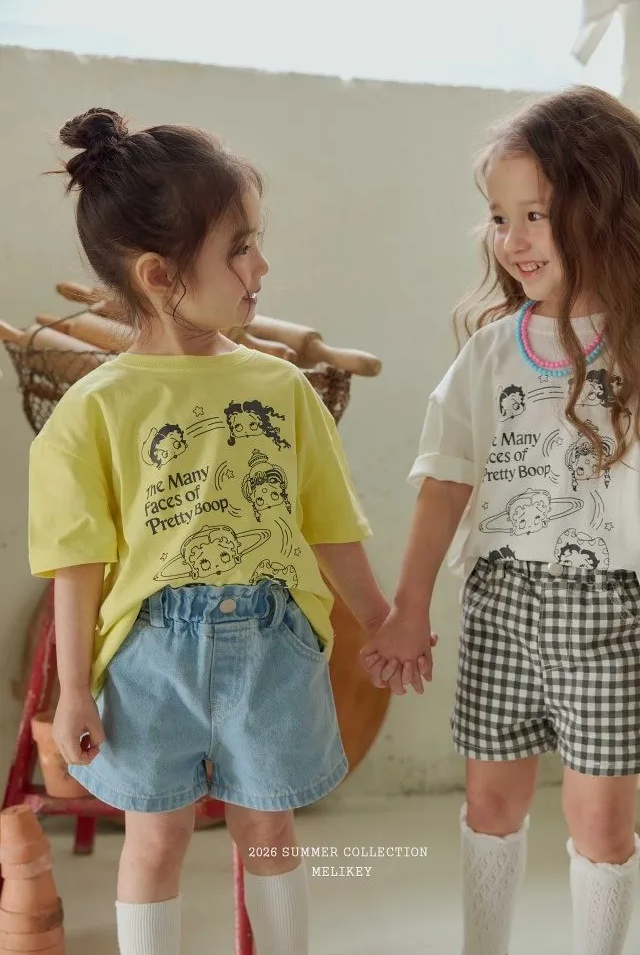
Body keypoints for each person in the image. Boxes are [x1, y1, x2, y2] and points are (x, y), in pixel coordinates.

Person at [28, 108, 390, 955]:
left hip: (273, 647)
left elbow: (330, 522)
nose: (260, 266)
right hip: (149, 659)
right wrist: (74, 689)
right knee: (157, 837)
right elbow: (77, 563)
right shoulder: (93, 409)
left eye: (256, 243)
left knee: (271, 830)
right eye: (239, 248)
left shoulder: (282, 388)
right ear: (159, 274)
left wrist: (380, 618)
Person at [361, 86, 640, 954]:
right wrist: (408, 608)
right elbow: (444, 483)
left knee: (601, 821)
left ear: (604, 209)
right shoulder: (490, 352)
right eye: (498, 218)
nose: (512, 240)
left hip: (611, 614)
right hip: (501, 605)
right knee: (489, 804)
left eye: (535, 215)